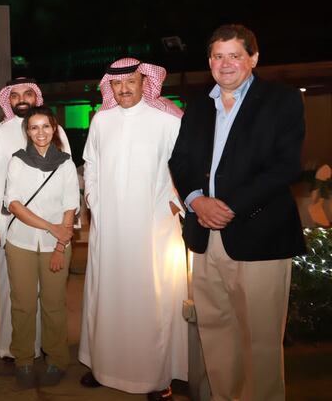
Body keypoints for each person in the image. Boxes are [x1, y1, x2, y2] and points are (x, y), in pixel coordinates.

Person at [169, 24, 306, 401]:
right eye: (217, 55)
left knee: (260, 340)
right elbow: (179, 161)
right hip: (205, 238)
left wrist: (228, 207)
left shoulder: (282, 100)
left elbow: (286, 166)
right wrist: (196, 200)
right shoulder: (198, 106)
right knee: (215, 333)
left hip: (261, 237)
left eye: (234, 55)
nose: (225, 63)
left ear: (253, 58)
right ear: (209, 61)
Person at [78, 58, 187, 401]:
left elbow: (184, 166)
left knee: (150, 298)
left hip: (151, 226)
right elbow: (90, 163)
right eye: (116, 85)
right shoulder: (101, 121)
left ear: (145, 83)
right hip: (109, 226)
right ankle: (103, 365)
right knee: (106, 293)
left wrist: (174, 202)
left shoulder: (166, 120)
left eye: (131, 83)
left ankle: (156, 378)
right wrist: (93, 198)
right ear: (108, 87)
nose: (123, 90)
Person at [0, 77, 71, 359]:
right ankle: (16, 350)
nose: (21, 98)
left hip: (53, 230)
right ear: (8, 100)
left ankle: (49, 346)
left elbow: (67, 186)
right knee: (17, 294)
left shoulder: (58, 134)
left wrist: (64, 232)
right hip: (12, 227)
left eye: (28, 93)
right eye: (15, 94)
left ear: (37, 98)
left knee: (52, 298)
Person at [4, 106, 80, 389]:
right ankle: (23, 359)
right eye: (34, 127)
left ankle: (57, 360)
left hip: (55, 246)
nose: (40, 132)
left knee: (54, 306)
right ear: (27, 131)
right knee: (22, 304)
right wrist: (50, 227)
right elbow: (14, 204)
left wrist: (60, 245)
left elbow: (70, 206)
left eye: (45, 126)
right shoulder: (17, 162)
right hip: (20, 243)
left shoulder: (66, 164)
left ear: (55, 128)